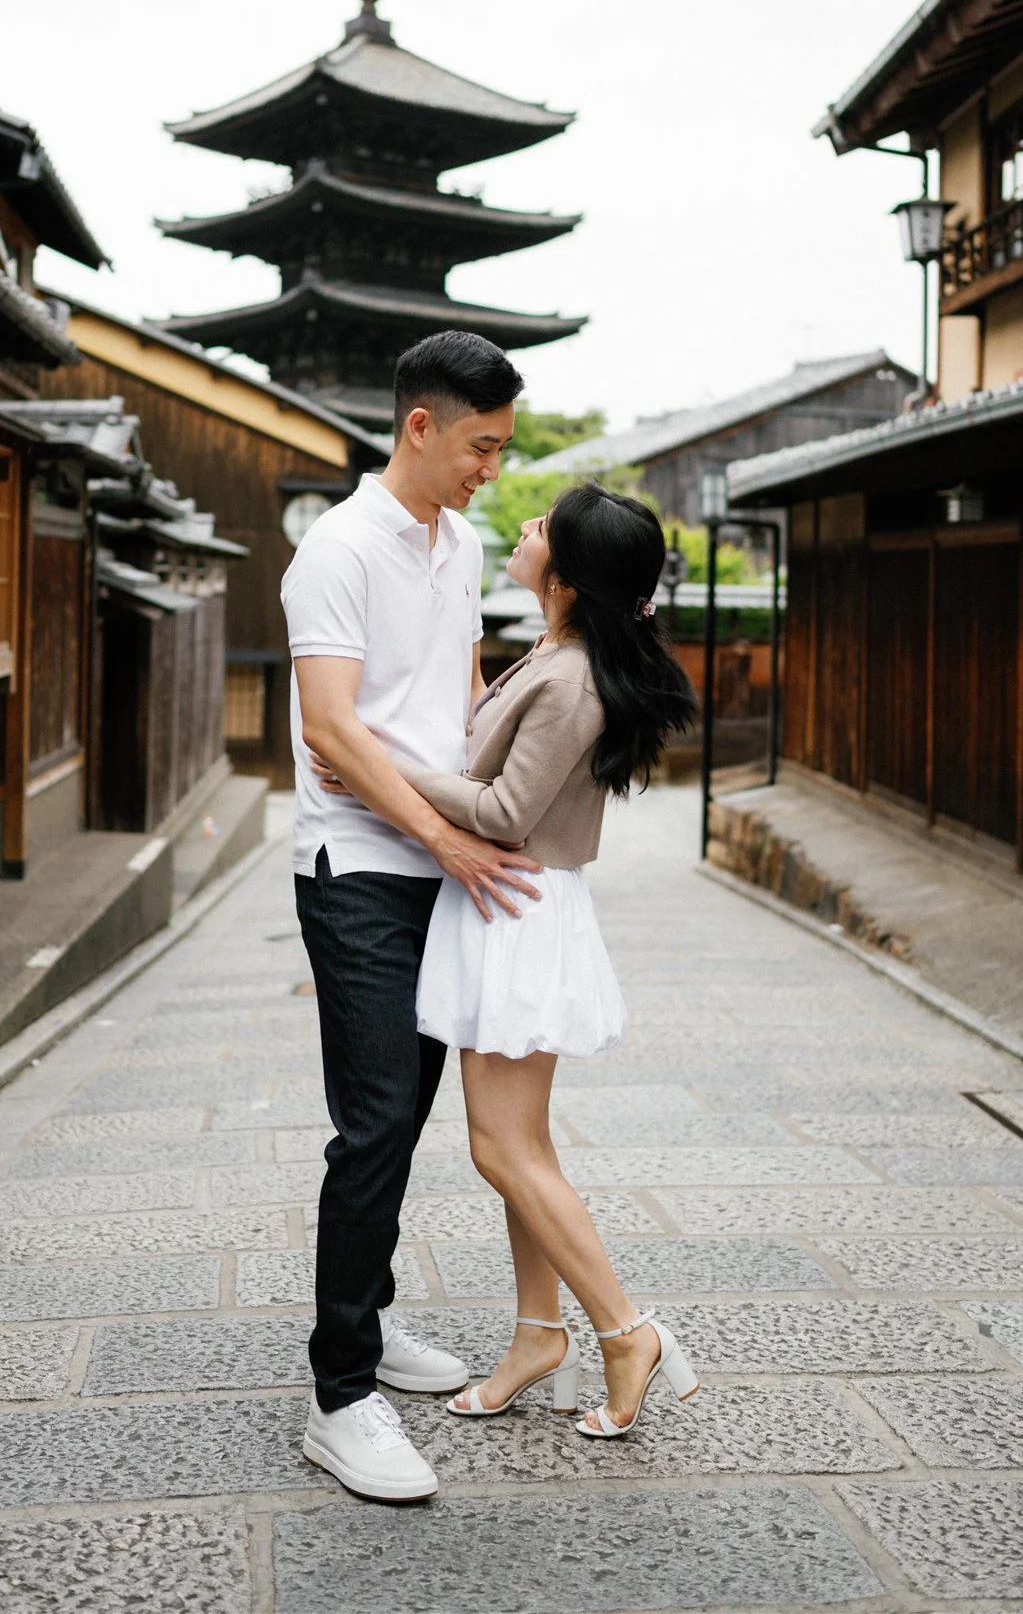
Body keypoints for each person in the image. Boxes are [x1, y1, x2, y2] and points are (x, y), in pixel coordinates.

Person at [326, 482, 699, 1437]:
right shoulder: (557, 653)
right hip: (508, 907)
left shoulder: (571, 679)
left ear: (566, 577)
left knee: (502, 1148)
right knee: (520, 1149)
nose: (524, 531)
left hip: (516, 908)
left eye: (542, 530)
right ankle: (540, 1334)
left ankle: (625, 1329)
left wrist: (374, 763)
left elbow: (501, 815)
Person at [282, 330, 544, 1503]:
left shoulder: (464, 537)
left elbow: (452, 691)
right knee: (377, 1115)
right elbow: (334, 726)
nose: (490, 467)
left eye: (501, 447)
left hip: (442, 855)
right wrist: (441, 831)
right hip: (360, 866)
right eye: (480, 445)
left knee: (412, 1106)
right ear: (419, 425)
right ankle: (340, 1394)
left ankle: (371, 1325)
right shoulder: (335, 548)